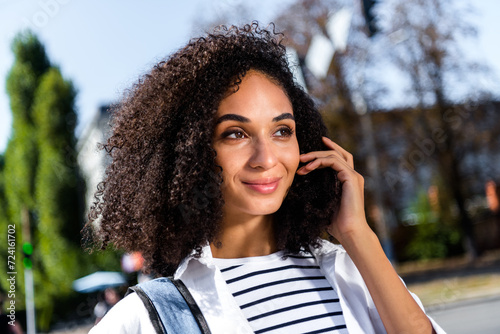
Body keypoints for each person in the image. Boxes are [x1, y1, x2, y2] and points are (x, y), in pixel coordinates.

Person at [87, 23, 445, 333]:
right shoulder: (148, 316)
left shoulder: (350, 269)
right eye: (235, 134)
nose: (266, 158)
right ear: (188, 154)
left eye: (281, 131)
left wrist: (357, 233)